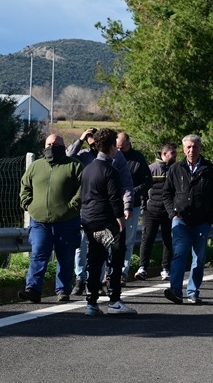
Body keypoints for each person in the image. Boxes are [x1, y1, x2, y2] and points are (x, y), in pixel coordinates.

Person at [18, 134, 83, 303]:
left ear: (63, 146)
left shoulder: (74, 166)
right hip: (40, 221)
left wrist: (72, 207)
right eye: (49, 144)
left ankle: (63, 290)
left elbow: (83, 189)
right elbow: (25, 187)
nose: (52, 147)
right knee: (38, 254)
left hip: (67, 221)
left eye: (56, 144)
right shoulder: (36, 166)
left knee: (65, 256)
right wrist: (28, 205)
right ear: (44, 146)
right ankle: (32, 289)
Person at [79, 128, 136, 316]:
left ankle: (91, 303)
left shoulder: (87, 168)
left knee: (94, 261)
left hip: (89, 219)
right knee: (115, 260)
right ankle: (114, 301)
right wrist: (121, 219)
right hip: (107, 220)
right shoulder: (110, 169)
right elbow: (113, 197)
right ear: (113, 146)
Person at [162, 134, 213, 305]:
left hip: (202, 221)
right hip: (180, 219)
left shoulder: (210, 169)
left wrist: (210, 219)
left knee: (199, 257)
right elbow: (167, 193)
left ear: (200, 148)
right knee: (179, 254)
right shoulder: (175, 169)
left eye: (194, 147)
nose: (191, 150)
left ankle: (193, 291)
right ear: (183, 149)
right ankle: (175, 290)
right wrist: (172, 214)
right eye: (188, 147)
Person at [137, 143, 175, 282]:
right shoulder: (151, 169)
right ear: (164, 154)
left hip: (168, 212)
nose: (175, 156)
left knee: (168, 241)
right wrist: (143, 208)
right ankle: (142, 268)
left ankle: (166, 269)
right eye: (173, 153)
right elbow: (143, 189)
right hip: (151, 211)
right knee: (147, 239)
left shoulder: (175, 170)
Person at [116, 132, 152, 281]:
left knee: (128, 239)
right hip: (112, 203)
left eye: (122, 148)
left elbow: (147, 181)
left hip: (132, 205)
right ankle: (109, 270)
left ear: (129, 145)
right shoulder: (111, 157)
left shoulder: (138, 159)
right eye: (117, 147)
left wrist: (131, 193)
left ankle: (123, 271)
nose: (119, 151)